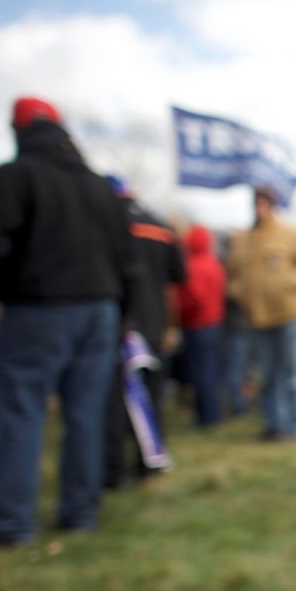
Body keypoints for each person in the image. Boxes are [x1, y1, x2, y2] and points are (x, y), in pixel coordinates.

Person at [0, 97, 140, 545]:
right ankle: (80, 511)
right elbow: (126, 260)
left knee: (21, 409)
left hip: (40, 307)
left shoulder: (12, 178)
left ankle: (14, 522)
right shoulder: (101, 188)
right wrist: (122, 316)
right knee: (85, 412)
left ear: (19, 131)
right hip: (101, 310)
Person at [227, 185, 296, 441]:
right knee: (269, 376)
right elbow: (234, 276)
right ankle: (276, 425)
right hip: (260, 318)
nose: (261, 208)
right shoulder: (245, 240)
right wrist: (244, 293)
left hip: (293, 316)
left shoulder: (292, 234)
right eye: (257, 202)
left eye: (265, 202)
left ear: (273, 205)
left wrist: (289, 283)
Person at [104, 177, 187, 487]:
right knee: (151, 394)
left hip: (119, 322)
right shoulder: (160, 226)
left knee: (113, 400)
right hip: (154, 323)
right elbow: (179, 275)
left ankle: (115, 469)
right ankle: (149, 459)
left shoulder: (105, 223)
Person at [176, 224, 227, 427]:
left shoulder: (194, 265)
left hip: (198, 324)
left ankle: (206, 416)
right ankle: (213, 413)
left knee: (201, 372)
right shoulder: (213, 263)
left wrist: (179, 312)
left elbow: (195, 298)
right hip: (214, 323)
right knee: (211, 370)